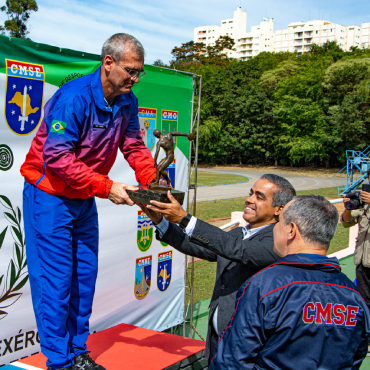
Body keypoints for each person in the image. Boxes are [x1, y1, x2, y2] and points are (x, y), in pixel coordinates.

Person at [20, 34, 156, 370]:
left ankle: (78, 352)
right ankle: (60, 362)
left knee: (83, 279)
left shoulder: (128, 101)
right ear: (108, 63)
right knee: (55, 284)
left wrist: (154, 183)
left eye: (139, 73)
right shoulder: (74, 98)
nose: (135, 79)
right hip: (48, 195)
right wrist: (106, 186)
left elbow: (135, 146)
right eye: (130, 71)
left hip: (82, 197)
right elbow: (57, 158)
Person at [140, 173, 296, 365]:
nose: (249, 199)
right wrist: (160, 221)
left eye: (259, 197)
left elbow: (239, 250)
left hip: (247, 348)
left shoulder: (276, 243)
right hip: (218, 341)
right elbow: (201, 247)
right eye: (251, 193)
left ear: (279, 209)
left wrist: (185, 219)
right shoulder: (239, 233)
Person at [211, 195, 370, 370]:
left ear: (291, 230)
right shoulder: (354, 295)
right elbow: (355, 357)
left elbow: (233, 359)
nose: (274, 229)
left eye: (278, 223)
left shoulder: (265, 285)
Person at [341, 172, 370, 313]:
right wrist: (348, 207)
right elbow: (346, 222)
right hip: (363, 262)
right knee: (363, 304)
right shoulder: (365, 202)